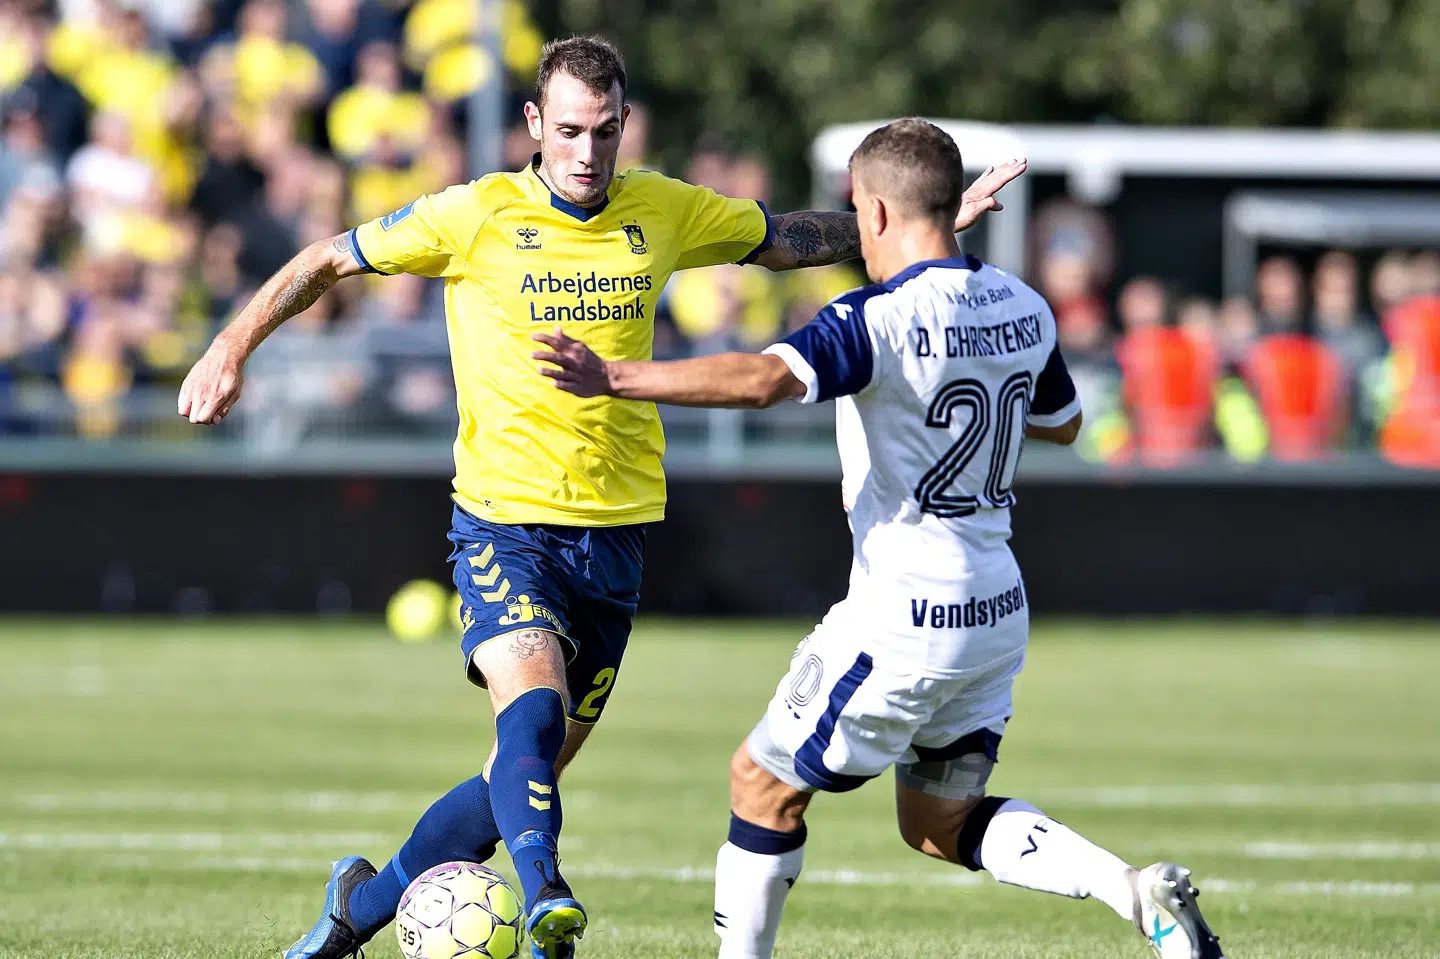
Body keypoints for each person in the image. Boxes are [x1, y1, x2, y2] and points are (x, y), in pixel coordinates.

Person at [175, 37, 1024, 959]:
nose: (587, 152)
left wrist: (922, 231)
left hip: (615, 534)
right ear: (535, 126)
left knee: (518, 775)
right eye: (570, 130)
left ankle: (357, 909)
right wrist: (231, 345)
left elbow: (784, 241)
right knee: (530, 716)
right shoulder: (474, 213)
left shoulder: (661, 208)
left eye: (605, 131)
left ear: (625, 126)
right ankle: (546, 900)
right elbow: (330, 259)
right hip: (504, 519)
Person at [534, 118, 1224, 959]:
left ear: (879, 213)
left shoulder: (876, 318)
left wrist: (613, 376)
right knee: (939, 823)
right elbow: (1066, 423)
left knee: (760, 784)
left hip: (905, 609)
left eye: (857, 212)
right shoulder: (1024, 303)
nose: (855, 228)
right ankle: (1132, 891)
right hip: (996, 605)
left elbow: (762, 381)